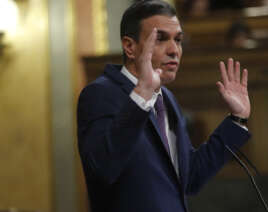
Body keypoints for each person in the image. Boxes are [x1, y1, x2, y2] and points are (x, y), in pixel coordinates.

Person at [77, 1, 251, 212]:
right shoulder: (100, 94)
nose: (174, 50)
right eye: (160, 39)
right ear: (130, 47)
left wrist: (237, 119)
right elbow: (102, 169)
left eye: (178, 40)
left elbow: (190, 177)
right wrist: (141, 96)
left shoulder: (166, 98)